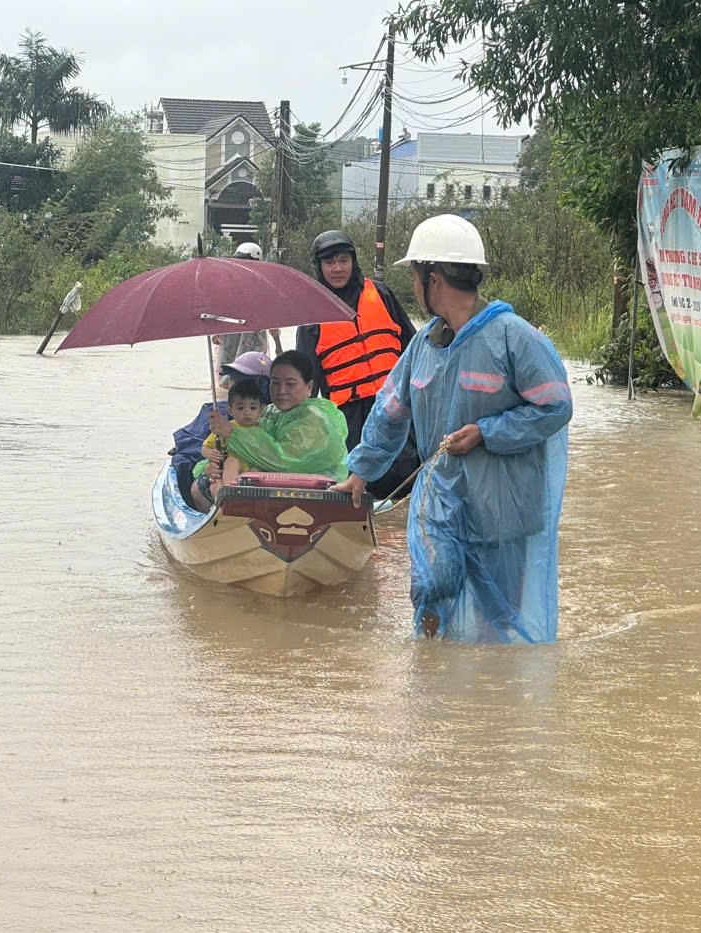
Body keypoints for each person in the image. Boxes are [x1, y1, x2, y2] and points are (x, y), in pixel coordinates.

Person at [330, 215, 573, 645]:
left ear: (433, 277)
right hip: (440, 498)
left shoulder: (515, 339)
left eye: (415, 274)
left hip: (505, 506)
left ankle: (491, 699)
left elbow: (555, 407)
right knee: (432, 586)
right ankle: (430, 678)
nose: (414, 284)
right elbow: (390, 410)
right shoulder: (423, 345)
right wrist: (361, 472)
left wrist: (486, 431)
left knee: (502, 618)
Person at [297, 230, 419, 498]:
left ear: (353, 261)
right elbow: (304, 384)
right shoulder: (311, 315)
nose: (337, 268)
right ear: (319, 267)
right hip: (349, 417)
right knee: (362, 488)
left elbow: (416, 349)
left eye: (343, 260)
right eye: (329, 262)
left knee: (408, 476)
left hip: (394, 405)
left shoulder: (382, 295)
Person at [191, 350, 349, 512]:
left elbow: (283, 459)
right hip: (271, 483)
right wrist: (212, 466)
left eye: (290, 384)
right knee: (204, 482)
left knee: (204, 487)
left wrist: (232, 432)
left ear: (309, 387)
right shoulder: (270, 411)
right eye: (275, 382)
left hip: (315, 493)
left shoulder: (317, 420)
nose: (281, 391)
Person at [169, 350, 271, 503]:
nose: (246, 411)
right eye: (235, 381)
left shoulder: (273, 421)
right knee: (199, 486)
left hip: (258, 480)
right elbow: (199, 448)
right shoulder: (216, 415)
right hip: (220, 475)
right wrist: (210, 465)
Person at [192, 377, 267, 503]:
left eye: (253, 408)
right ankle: (226, 498)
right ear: (230, 410)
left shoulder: (263, 430)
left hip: (252, 468)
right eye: (240, 408)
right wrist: (211, 454)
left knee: (257, 472)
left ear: (261, 410)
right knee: (225, 471)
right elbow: (205, 446)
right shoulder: (225, 427)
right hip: (226, 469)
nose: (247, 412)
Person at [215, 242, 281, 375]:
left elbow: (272, 320)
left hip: (253, 343)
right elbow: (219, 312)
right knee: (229, 378)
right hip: (230, 343)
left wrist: (278, 346)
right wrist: (216, 333)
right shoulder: (229, 288)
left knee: (250, 377)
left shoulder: (262, 290)